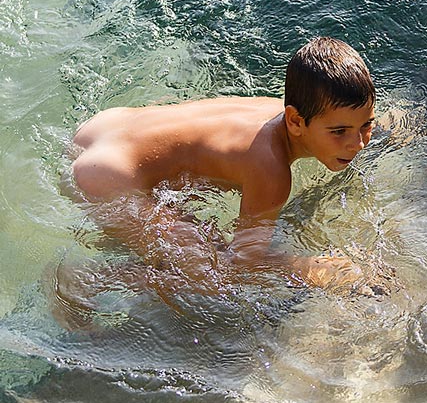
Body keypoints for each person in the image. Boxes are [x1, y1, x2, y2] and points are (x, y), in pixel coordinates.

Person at [68, 36, 380, 299]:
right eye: (340, 132)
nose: (358, 143)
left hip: (105, 127)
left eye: (367, 125)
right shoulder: (271, 170)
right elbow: (242, 264)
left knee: (189, 243)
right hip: (107, 175)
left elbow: (345, 122)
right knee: (211, 277)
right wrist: (311, 267)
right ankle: (89, 278)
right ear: (296, 121)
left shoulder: (291, 109)